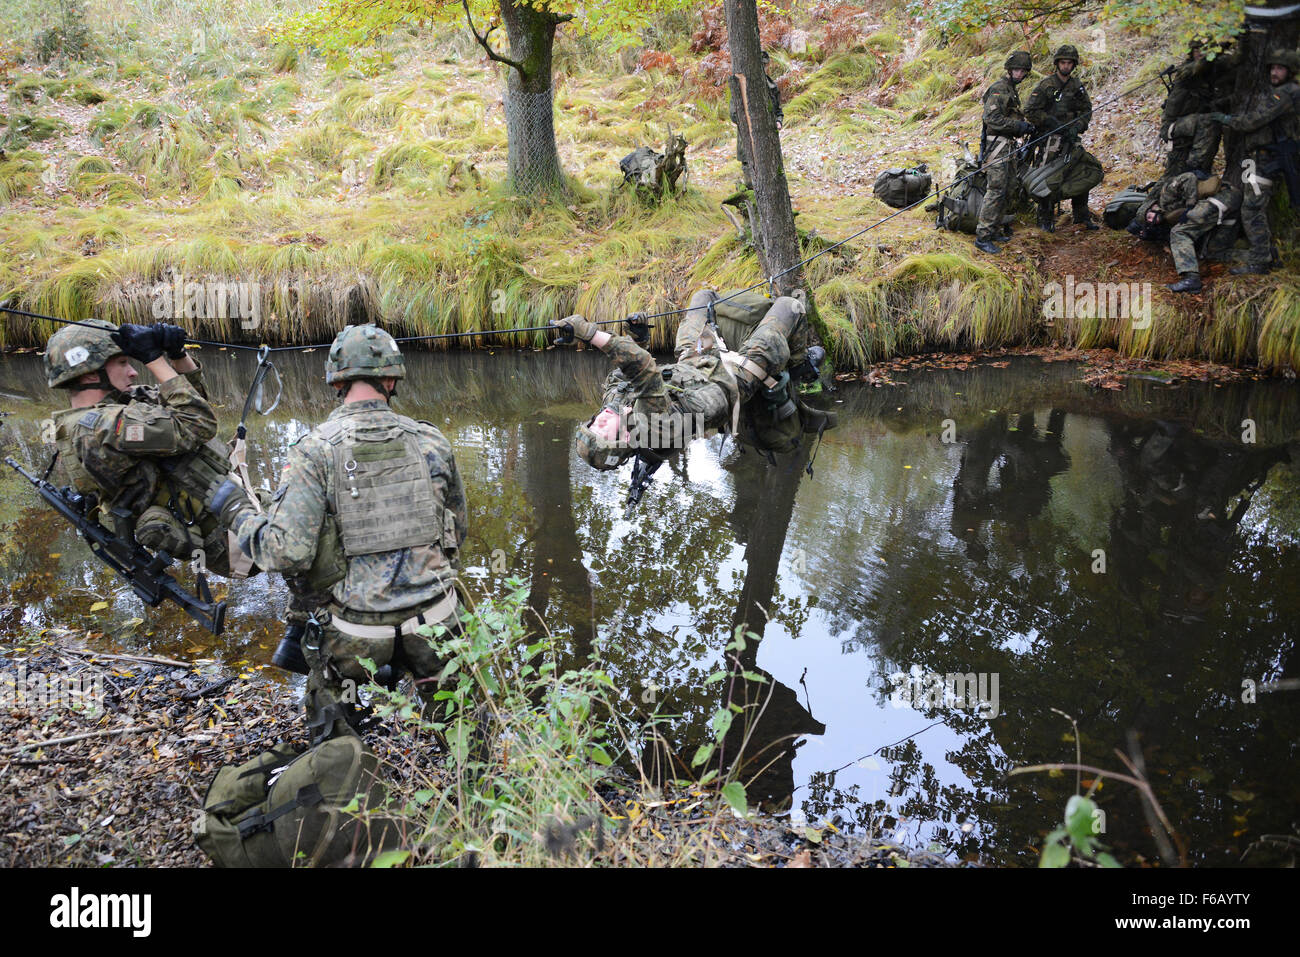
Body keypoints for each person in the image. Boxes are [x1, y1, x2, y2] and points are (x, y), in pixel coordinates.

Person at [211, 324, 468, 742]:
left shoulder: (314, 450)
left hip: (357, 632)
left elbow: (286, 553)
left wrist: (237, 511)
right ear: (391, 379)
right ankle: (470, 784)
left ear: (336, 380)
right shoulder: (432, 441)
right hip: (435, 619)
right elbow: (459, 527)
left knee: (330, 710)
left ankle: (340, 770)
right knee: (462, 726)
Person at [43, 319, 253, 579]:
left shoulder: (121, 405)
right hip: (232, 541)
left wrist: (177, 356)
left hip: (238, 508)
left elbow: (192, 403)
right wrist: (153, 359)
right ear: (90, 374)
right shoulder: (102, 428)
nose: (133, 372)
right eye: (123, 363)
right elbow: (198, 425)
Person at [549, 290, 822, 473]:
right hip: (733, 377)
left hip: (691, 361)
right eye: (604, 431)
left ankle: (762, 325)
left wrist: (638, 336)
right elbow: (642, 368)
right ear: (626, 438)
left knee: (704, 297)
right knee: (791, 306)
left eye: (593, 424)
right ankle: (800, 365)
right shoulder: (654, 426)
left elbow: (625, 372)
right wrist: (590, 334)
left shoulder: (614, 407)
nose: (601, 421)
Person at [1208, 49, 1300, 275]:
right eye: (1273, 68)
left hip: (1271, 158)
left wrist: (1228, 119)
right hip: (1263, 157)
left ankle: (1261, 261)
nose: (1275, 72)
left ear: (1290, 71)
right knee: (1253, 206)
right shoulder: (1281, 91)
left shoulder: (1288, 92)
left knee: (1252, 208)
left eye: (1280, 68)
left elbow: (1254, 120)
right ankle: (1269, 255)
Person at [1025, 44, 1098, 231]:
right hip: (1050, 140)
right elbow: (1030, 111)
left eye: (1069, 63)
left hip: (1071, 139)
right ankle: (1045, 218)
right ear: (1057, 64)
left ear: (1074, 65)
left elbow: (1086, 110)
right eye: (1063, 63)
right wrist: (1049, 122)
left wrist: (1078, 127)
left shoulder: (1077, 86)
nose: (1066, 66)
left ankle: (1081, 216)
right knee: (1046, 177)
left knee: (1080, 171)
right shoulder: (1046, 85)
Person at [975, 51, 1035, 255]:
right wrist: (1018, 126)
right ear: (1009, 70)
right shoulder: (999, 89)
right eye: (1017, 70)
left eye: (1023, 71)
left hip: (1008, 146)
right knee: (996, 190)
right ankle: (983, 237)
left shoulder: (1011, 90)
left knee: (1009, 188)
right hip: (997, 147)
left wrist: (1023, 127)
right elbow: (992, 119)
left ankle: (995, 229)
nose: (1020, 74)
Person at [1160, 39, 1238, 178]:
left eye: (1205, 50)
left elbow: (1238, 61)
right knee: (1210, 120)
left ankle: (1201, 170)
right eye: (1197, 50)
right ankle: (1195, 168)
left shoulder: (1213, 69)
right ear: (1191, 53)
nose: (1201, 54)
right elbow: (1197, 67)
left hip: (1194, 125)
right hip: (1173, 126)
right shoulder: (1186, 70)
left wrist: (1243, 40)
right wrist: (1215, 51)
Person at [1165, 174, 1243, 292]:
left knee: (1178, 232)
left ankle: (1191, 280)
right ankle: (1260, 256)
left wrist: (1189, 207)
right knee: (1215, 252)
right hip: (1233, 198)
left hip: (1220, 200)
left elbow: (1189, 178)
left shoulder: (1168, 188)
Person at [729, 49, 783, 190]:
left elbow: (778, 110)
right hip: (748, 136)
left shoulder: (772, 86)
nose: (764, 68)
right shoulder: (742, 84)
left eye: (765, 65)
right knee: (749, 168)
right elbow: (733, 114)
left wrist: (778, 121)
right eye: (761, 65)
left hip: (769, 138)